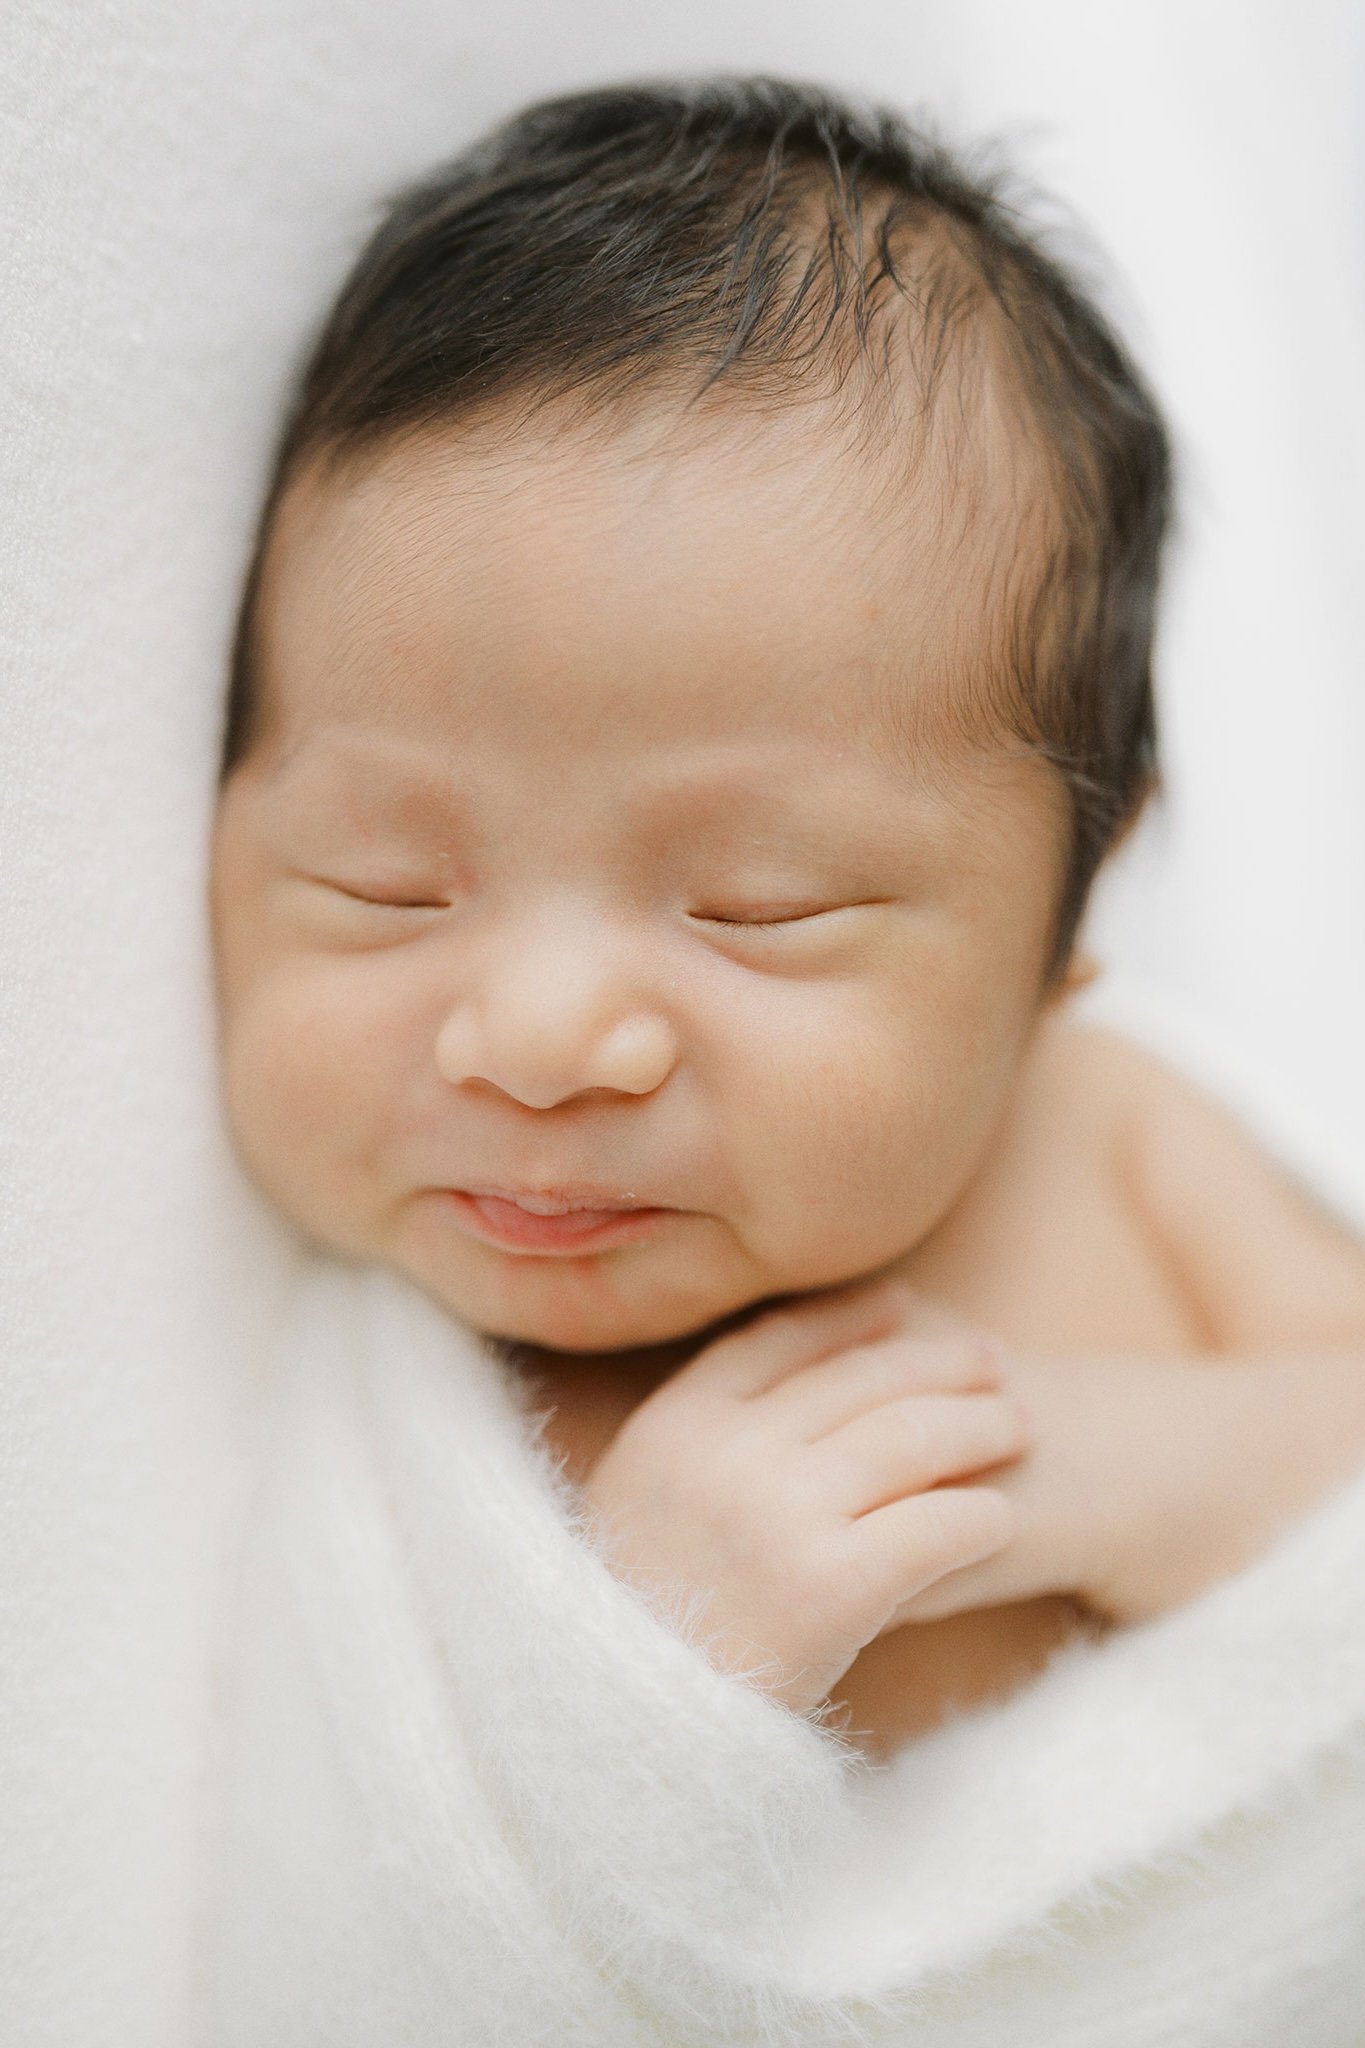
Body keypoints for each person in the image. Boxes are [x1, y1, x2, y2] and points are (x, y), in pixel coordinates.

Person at [209, 75, 1365, 1763]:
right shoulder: (376, 1418)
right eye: (388, 887)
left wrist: (1045, 1468)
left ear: (1067, 918)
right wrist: (644, 1684)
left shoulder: (1111, 1132)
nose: (537, 1041)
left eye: (759, 907)